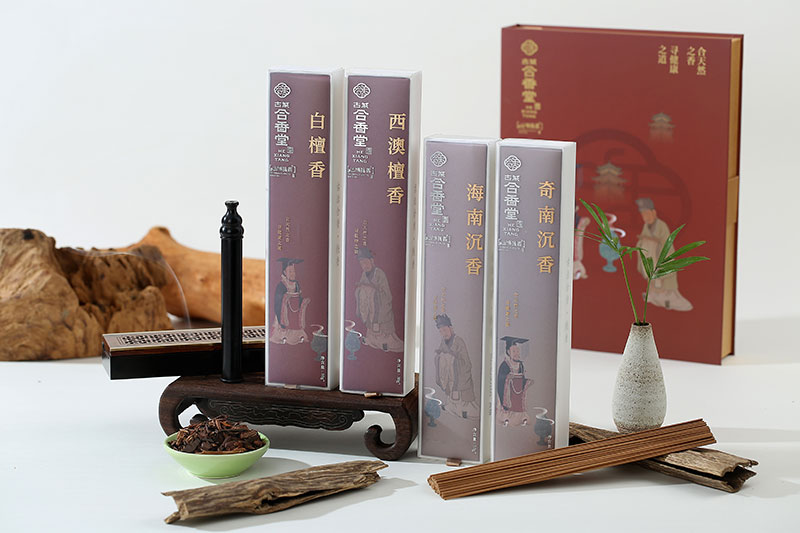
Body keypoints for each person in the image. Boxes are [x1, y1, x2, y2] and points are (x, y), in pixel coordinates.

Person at [634, 198, 693, 311]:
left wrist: (652, 243)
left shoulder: (662, 226)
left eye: (647, 214)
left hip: (660, 260)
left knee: (666, 291)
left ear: (654, 212)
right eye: (643, 214)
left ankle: (666, 300)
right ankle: (653, 296)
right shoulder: (646, 226)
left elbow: (666, 245)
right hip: (650, 260)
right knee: (651, 281)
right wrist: (642, 243)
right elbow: (641, 243)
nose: (645, 217)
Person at [354, 248, 403, 352]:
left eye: (366, 262)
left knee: (383, 332)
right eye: (362, 264)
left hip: (380, 306)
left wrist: (373, 291)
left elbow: (386, 294)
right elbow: (360, 289)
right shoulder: (364, 274)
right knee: (371, 329)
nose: (364, 266)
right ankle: (371, 340)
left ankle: (386, 343)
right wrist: (361, 290)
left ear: (372, 261)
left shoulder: (379, 273)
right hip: (369, 308)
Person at [433, 314, 479, 419]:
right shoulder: (443, 342)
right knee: (451, 398)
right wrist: (440, 356)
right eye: (441, 331)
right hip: (450, 378)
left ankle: (464, 411)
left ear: (451, 328)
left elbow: (466, 362)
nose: (443, 333)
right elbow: (441, 356)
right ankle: (452, 407)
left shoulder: (459, 341)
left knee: (464, 403)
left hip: (460, 376)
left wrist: (452, 357)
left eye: (445, 330)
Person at [269, 258, 310, 345]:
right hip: (284, 316)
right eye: (290, 271)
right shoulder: (281, 285)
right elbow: (277, 304)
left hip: (295, 316)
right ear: (284, 272)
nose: (292, 274)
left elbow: (299, 299)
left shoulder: (296, 284)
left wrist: (303, 302)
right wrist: (281, 321)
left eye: (293, 271)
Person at [496, 336, 533, 427]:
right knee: (508, 408)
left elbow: (522, 377)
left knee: (519, 406)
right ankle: (506, 419)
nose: (516, 353)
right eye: (514, 351)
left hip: (518, 392)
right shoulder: (504, 365)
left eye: (517, 351)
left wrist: (527, 382)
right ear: (508, 352)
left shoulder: (520, 365)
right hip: (508, 392)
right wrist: (508, 378)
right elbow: (500, 380)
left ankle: (521, 419)